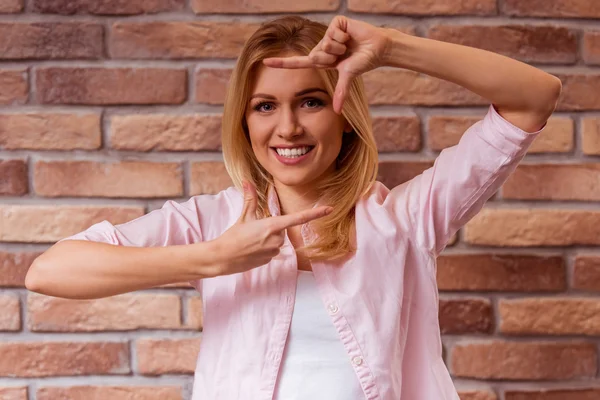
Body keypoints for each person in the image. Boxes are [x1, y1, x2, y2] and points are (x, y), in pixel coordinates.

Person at [25, 15, 561, 400]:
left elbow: (534, 95)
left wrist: (394, 47)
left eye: (310, 101)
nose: (288, 128)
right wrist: (210, 259)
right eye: (265, 106)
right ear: (246, 123)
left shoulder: (407, 220)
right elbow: (50, 271)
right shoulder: (213, 223)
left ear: (344, 114)